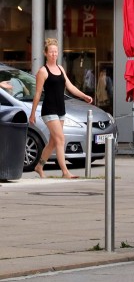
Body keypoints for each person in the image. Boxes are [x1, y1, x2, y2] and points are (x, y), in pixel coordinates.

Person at [29, 38, 94, 178]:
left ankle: (39, 166)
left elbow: (70, 87)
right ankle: (65, 172)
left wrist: (84, 96)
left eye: (55, 52)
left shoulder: (60, 69)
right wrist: (33, 114)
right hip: (49, 110)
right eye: (51, 52)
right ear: (45, 53)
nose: (53, 54)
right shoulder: (42, 71)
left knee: (53, 141)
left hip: (61, 110)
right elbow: (38, 94)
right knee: (60, 139)